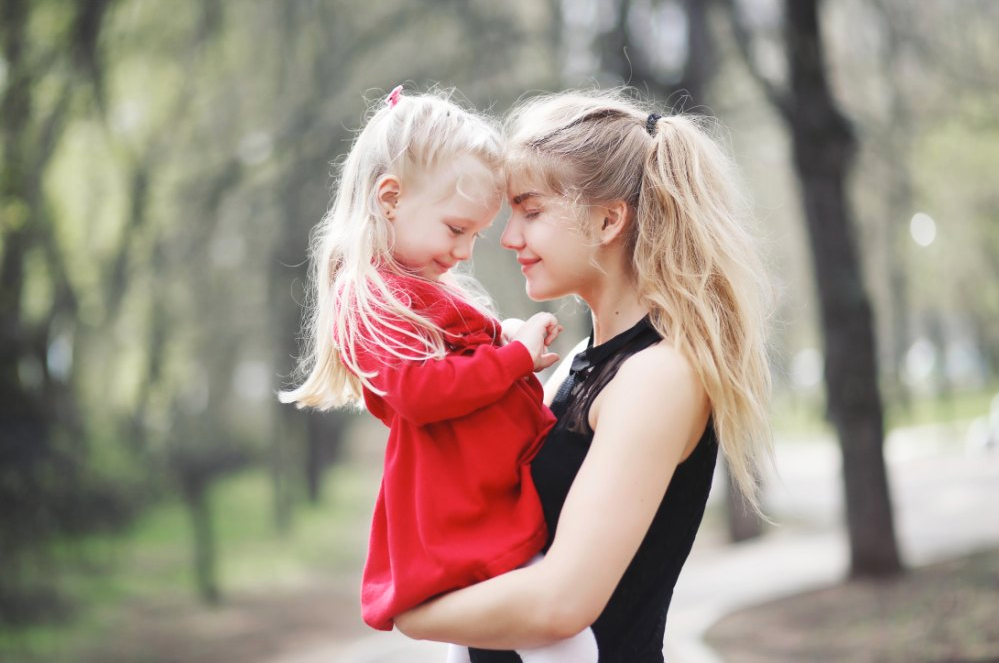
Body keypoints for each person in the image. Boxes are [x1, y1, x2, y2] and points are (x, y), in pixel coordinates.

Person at [393, 89, 774, 663]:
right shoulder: (579, 369)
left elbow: (560, 605)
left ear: (607, 220)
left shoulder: (658, 377)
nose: (508, 237)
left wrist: (413, 614)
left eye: (532, 210)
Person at [279, 86, 599, 663]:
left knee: (513, 631)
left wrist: (503, 340)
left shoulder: (418, 293)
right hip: (460, 508)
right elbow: (419, 392)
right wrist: (512, 360)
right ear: (391, 199)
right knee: (556, 636)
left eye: (474, 235)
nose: (464, 252)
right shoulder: (371, 297)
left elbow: (453, 369)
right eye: (456, 229)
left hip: (488, 492)